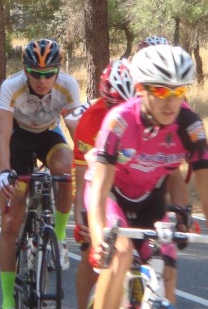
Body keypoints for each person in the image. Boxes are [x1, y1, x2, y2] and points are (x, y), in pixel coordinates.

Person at [86, 45, 208, 309]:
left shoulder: (190, 127)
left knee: (167, 266)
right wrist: (100, 241)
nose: (171, 101)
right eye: (160, 90)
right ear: (140, 89)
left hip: (151, 200)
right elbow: (99, 190)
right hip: (111, 196)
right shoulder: (119, 122)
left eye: (178, 91)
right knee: (120, 254)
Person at [0, 38, 81, 309]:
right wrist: (5, 172)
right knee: (10, 224)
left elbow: (77, 133)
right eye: (36, 74)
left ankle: (58, 234)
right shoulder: (11, 87)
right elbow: (3, 135)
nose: (42, 80)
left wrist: (85, 167)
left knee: (66, 168)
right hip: (18, 138)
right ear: (25, 71)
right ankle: (8, 299)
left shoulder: (68, 86)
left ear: (58, 70)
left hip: (48, 135)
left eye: (48, 74)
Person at [71, 59, 136, 308]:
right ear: (104, 98)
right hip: (100, 185)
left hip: (136, 185)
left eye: (129, 105)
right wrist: (80, 220)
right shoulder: (91, 120)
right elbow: (84, 179)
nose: (121, 112)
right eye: (114, 104)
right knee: (91, 249)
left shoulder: (152, 117)